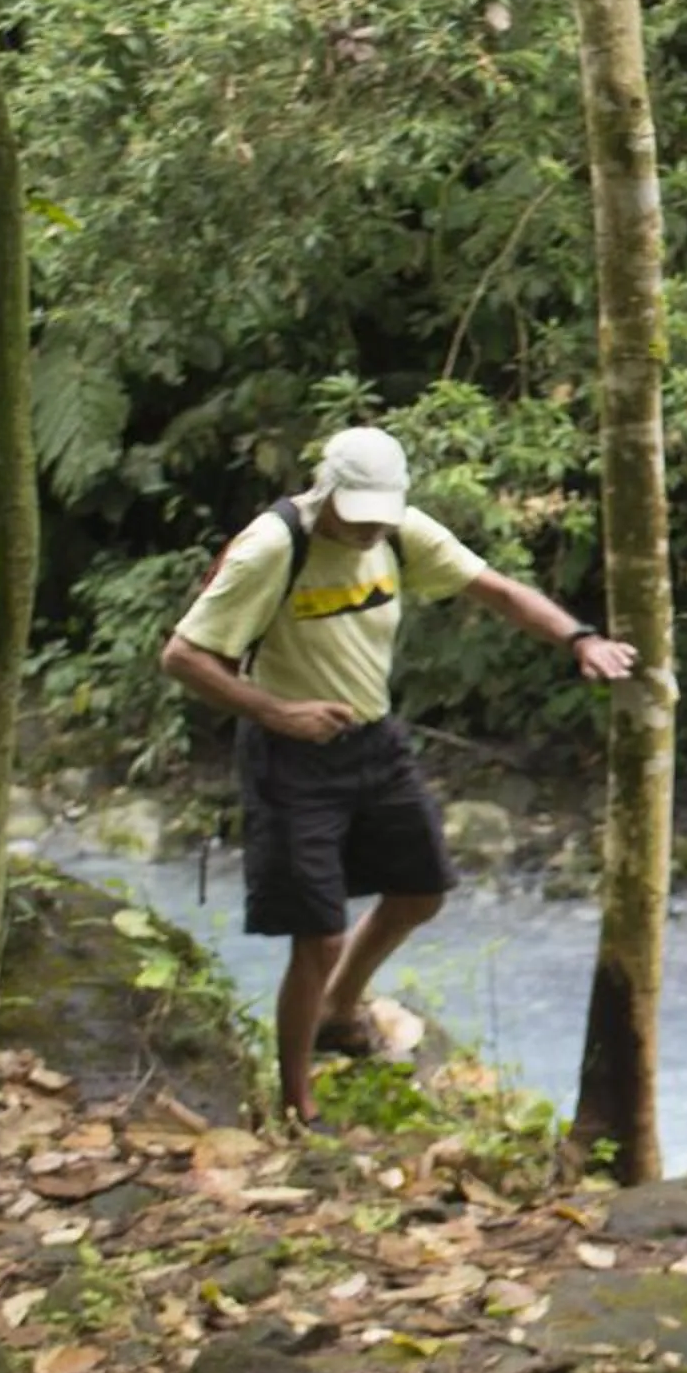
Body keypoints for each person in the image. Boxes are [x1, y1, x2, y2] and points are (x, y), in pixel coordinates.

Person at [160, 427, 636, 1127]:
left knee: (420, 891)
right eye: (358, 517)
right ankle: (296, 1104)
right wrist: (279, 713)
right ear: (326, 492)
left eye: (379, 516)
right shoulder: (273, 548)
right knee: (318, 933)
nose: (369, 530)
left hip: (374, 740)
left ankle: (337, 1009)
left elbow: (498, 591)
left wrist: (580, 639)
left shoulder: (401, 533)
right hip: (288, 753)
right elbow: (182, 656)